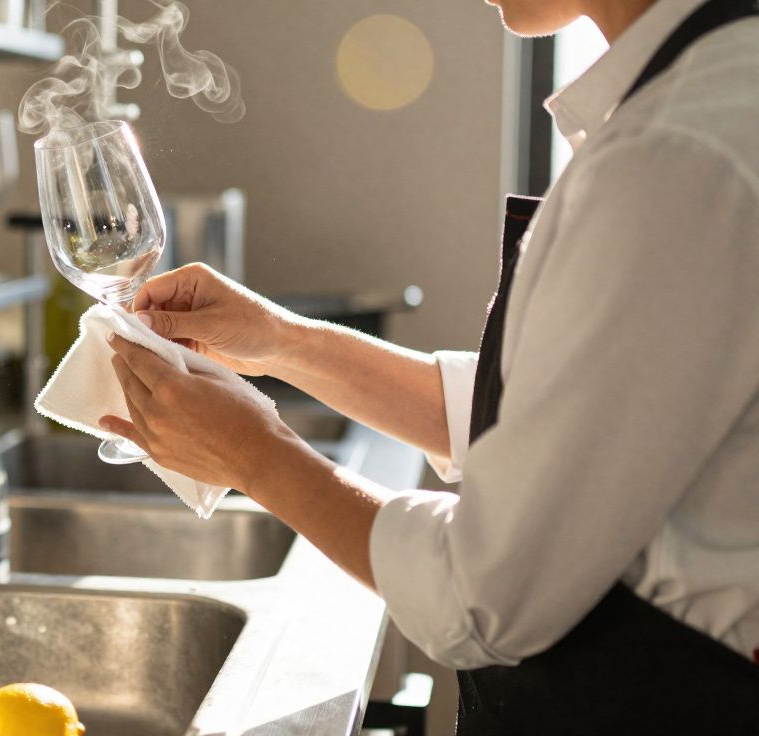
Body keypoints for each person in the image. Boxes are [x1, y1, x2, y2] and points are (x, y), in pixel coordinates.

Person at [99, 0, 759, 732]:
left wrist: (257, 455)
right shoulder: (706, 97)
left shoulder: (673, 154)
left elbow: (487, 596)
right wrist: (283, 341)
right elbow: (571, 410)